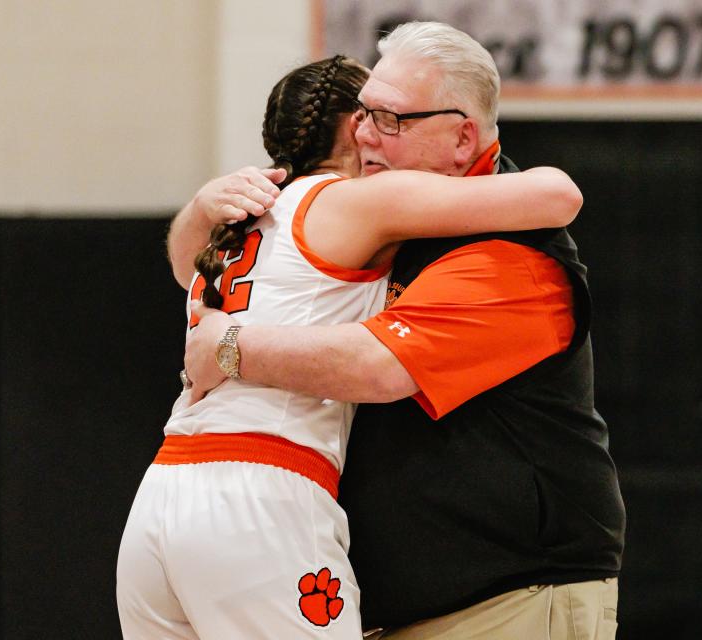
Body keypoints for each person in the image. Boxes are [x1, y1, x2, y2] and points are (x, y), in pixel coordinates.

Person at [179, 22, 625, 640]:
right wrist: (204, 206)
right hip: (411, 604)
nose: (364, 134)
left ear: (463, 136)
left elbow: (379, 366)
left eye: (391, 120)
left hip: (506, 599)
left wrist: (229, 348)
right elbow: (195, 272)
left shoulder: (511, 251)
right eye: (363, 114)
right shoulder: (383, 220)